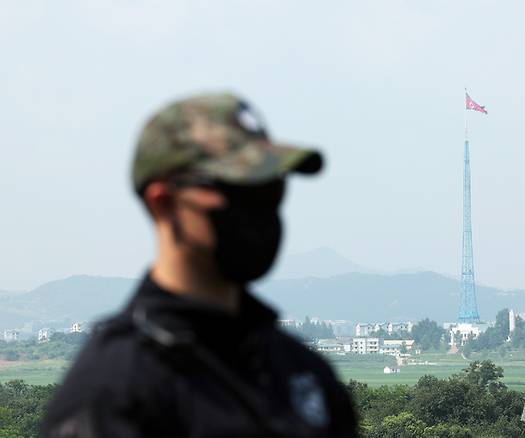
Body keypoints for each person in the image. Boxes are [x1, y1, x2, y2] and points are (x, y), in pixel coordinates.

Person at [41, 93, 358, 437]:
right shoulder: (116, 387)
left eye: (271, 190)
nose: (258, 209)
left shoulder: (301, 374)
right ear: (163, 202)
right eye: (236, 190)